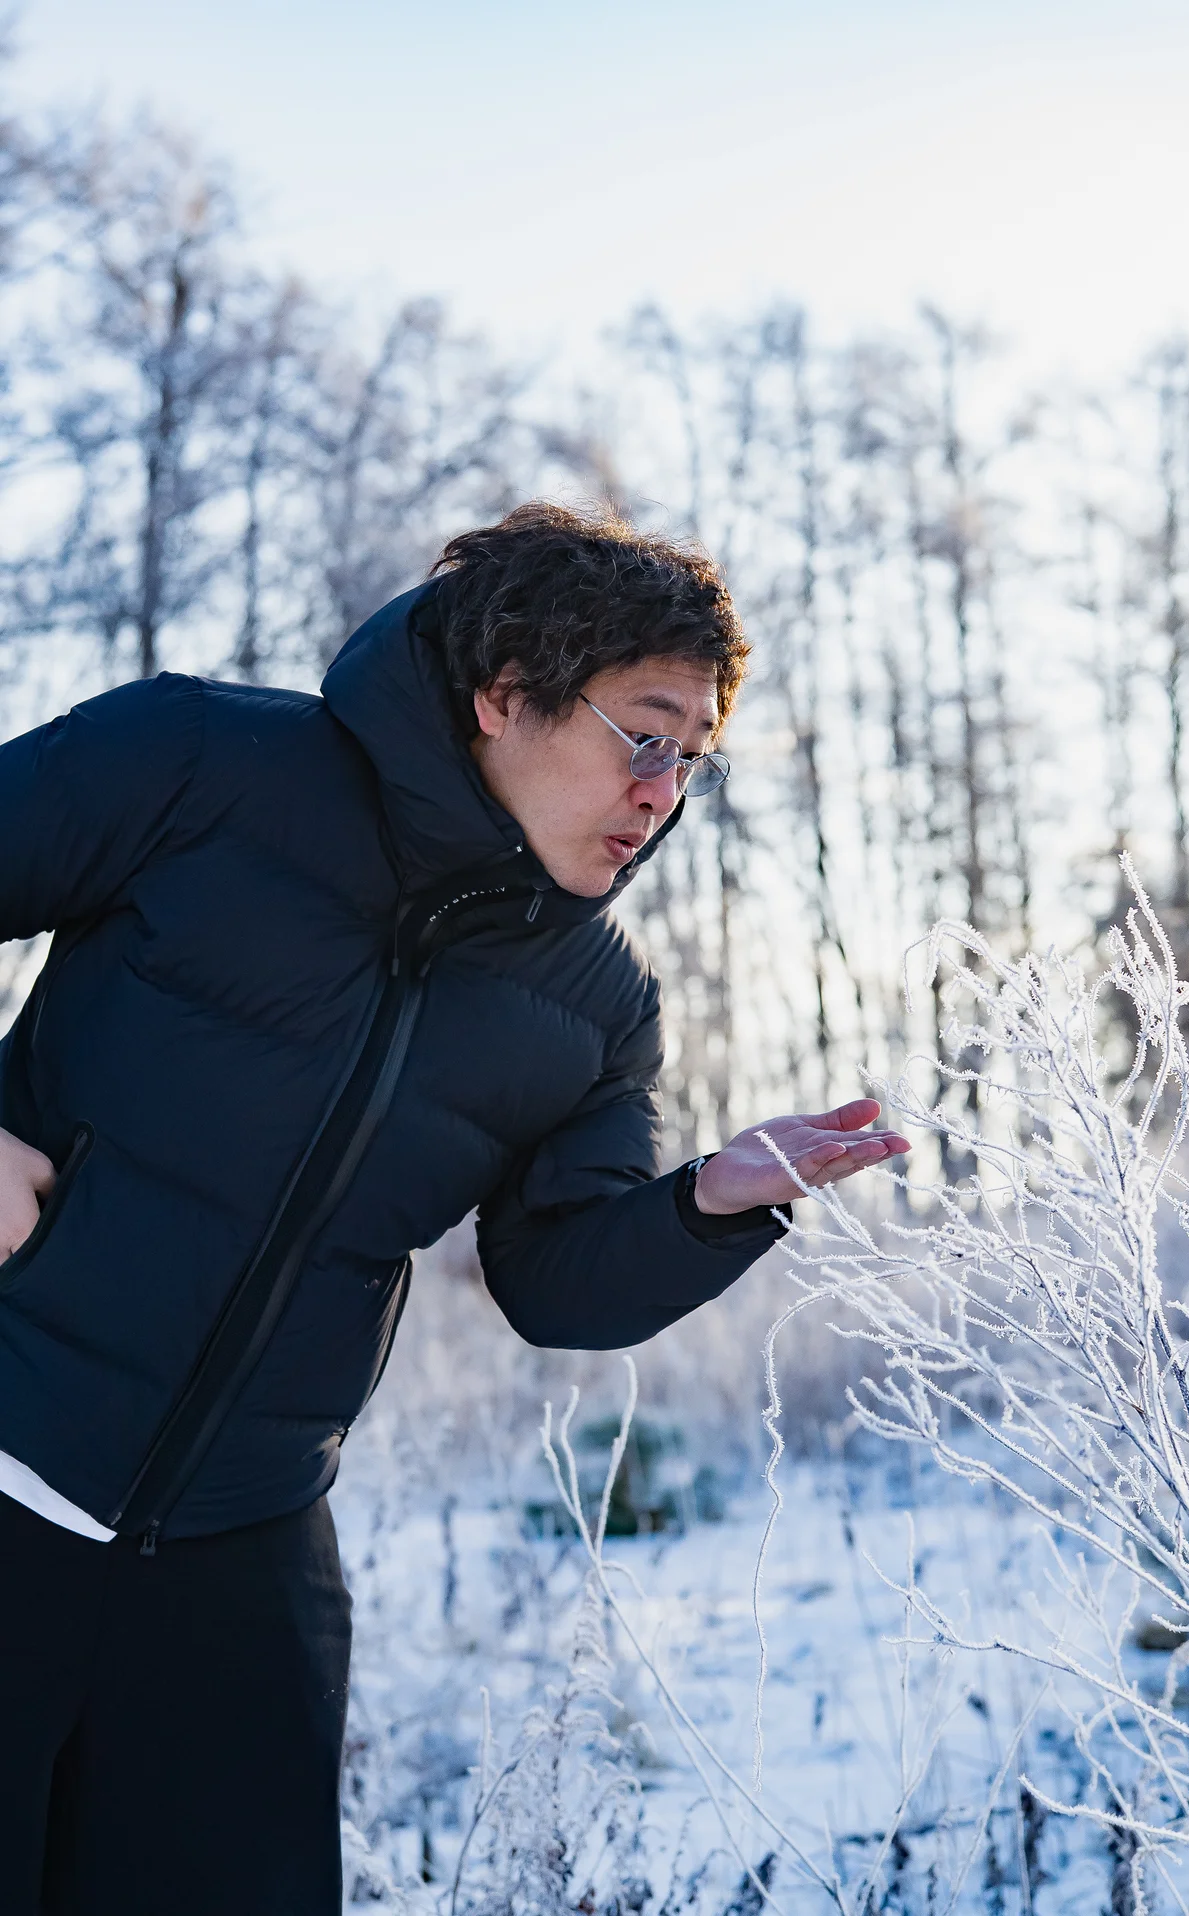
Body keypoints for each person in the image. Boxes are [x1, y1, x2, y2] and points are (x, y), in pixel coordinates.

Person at [0, 502, 909, 1913]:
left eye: (694, 761)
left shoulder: (598, 1004)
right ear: (506, 693)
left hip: (242, 1556)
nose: (664, 793)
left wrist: (713, 1204)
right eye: (645, 736)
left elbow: (555, 1283)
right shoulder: (199, 763)